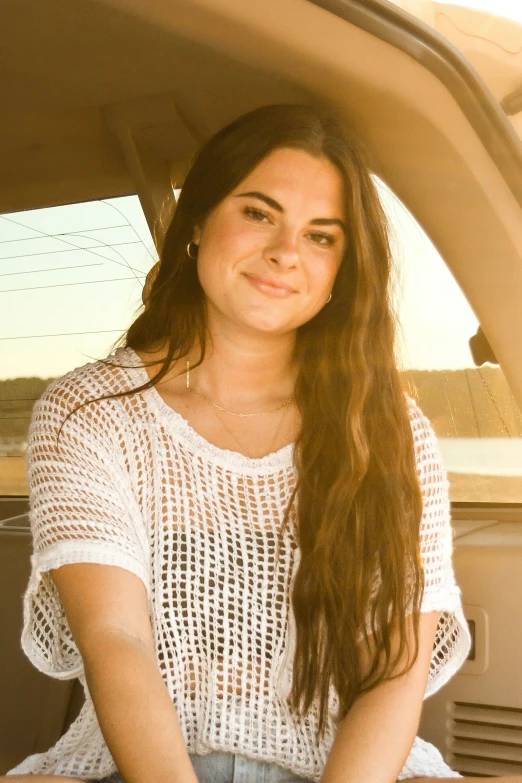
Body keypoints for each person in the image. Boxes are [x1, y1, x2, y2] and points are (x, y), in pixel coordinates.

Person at [4, 104, 519, 783]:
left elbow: (395, 668)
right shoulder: (89, 414)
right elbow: (117, 640)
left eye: (322, 236)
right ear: (197, 221)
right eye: (258, 213)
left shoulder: (389, 427)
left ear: (342, 270)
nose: (286, 252)